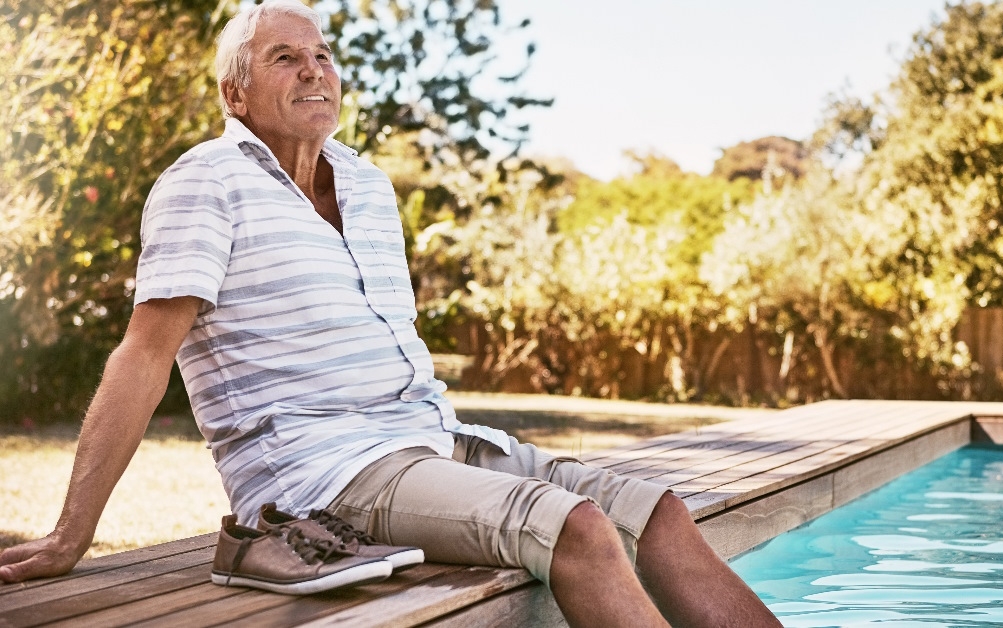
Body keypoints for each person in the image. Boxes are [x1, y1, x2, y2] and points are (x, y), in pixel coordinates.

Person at [0, 2, 779, 625]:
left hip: (437, 440)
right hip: (322, 472)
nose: (314, 71)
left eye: (323, 57)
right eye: (285, 58)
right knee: (575, 528)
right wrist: (74, 533)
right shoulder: (204, 183)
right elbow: (144, 354)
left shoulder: (368, 186)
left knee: (664, 514)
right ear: (234, 94)